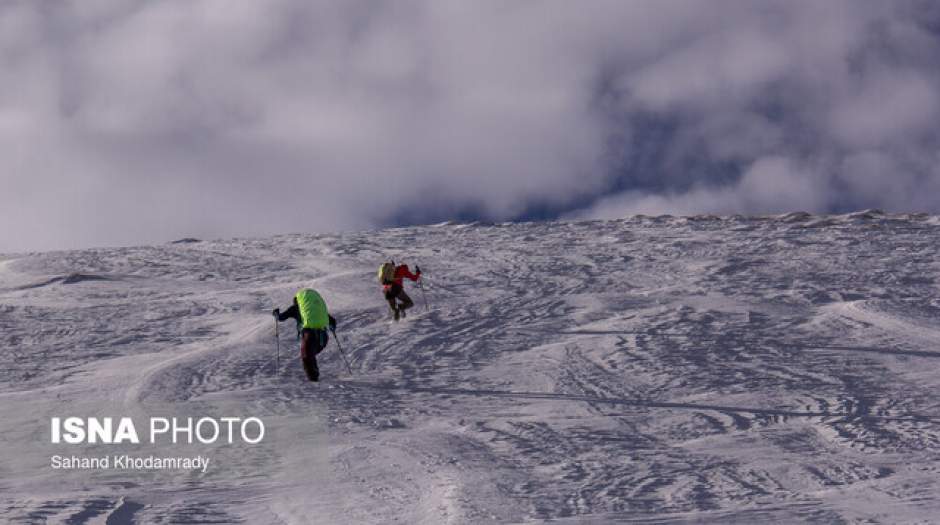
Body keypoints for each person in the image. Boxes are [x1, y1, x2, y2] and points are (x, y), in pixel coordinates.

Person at [273, 288, 337, 382]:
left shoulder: (295, 308)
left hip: (309, 336)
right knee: (310, 356)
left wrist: (276, 314)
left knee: (306, 357)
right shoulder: (315, 311)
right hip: (323, 339)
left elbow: (281, 318)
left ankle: (313, 382)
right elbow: (333, 322)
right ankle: (315, 376)